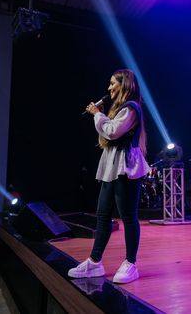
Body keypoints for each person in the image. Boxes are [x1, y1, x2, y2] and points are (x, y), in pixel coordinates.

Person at [68, 69, 150, 284]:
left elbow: (113, 131)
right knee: (102, 215)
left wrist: (97, 114)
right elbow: (108, 134)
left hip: (126, 166)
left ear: (124, 85)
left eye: (112, 83)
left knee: (128, 216)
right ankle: (95, 262)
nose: (108, 88)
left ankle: (130, 263)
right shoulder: (119, 109)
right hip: (111, 165)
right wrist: (101, 114)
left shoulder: (131, 108)